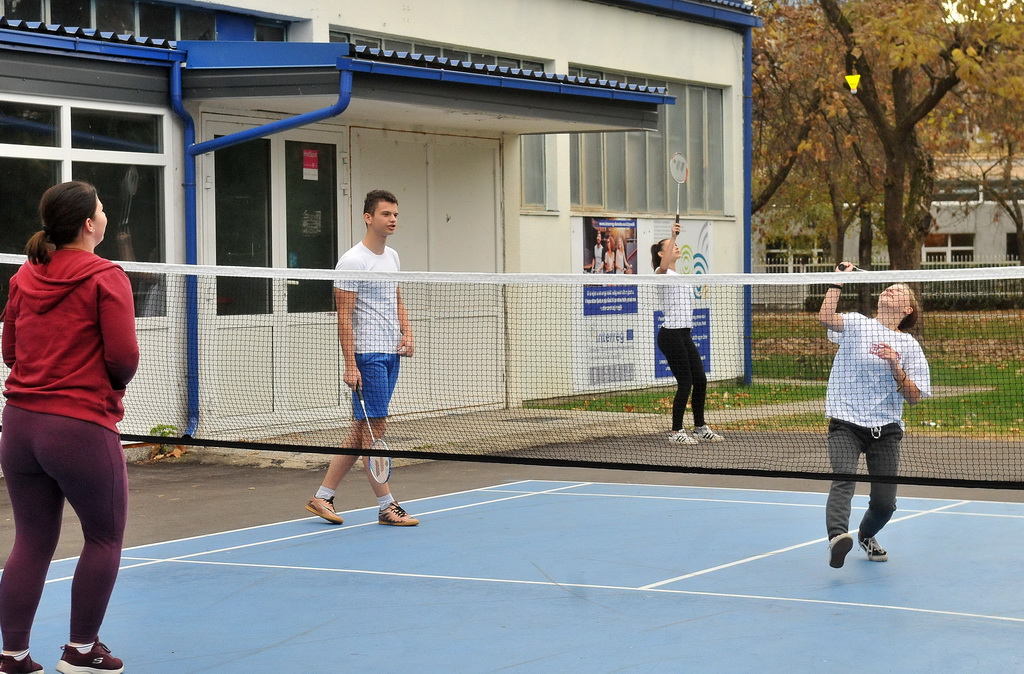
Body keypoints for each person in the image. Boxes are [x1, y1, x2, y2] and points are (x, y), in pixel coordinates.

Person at [0, 181, 139, 674]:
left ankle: (12, 656)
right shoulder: (107, 276)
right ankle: (80, 651)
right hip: (79, 427)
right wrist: (107, 386)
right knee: (104, 537)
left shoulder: (24, 276)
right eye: (101, 210)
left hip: (18, 429)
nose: (104, 215)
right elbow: (123, 360)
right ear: (88, 224)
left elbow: (11, 353)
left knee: (31, 541)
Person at [304, 189, 419, 527]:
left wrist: (407, 332)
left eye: (395, 213)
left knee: (362, 428)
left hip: (390, 354)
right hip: (366, 356)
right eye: (386, 214)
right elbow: (344, 315)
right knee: (375, 429)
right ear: (368, 217)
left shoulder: (393, 257)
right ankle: (387, 505)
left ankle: (322, 498)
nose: (393, 219)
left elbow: (396, 296)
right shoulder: (353, 260)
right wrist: (350, 363)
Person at [819, 262, 931, 569]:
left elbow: (915, 397)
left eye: (898, 291)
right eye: (888, 287)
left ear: (907, 309)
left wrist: (896, 365)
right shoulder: (856, 324)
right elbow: (826, 317)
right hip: (845, 422)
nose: (890, 290)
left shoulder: (909, 345)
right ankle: (838, 537)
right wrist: (837, 281)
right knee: (844, 478)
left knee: (884, 504)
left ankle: (866, 534)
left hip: (886, 430)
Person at [651, 223, 724, 445]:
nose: (676, 247)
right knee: (685, 383)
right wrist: (672, 235)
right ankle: (675, 432)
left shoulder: (680, 274)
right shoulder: (660, 273)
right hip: (670, 335)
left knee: (700, 380)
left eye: (676, 244)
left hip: (684, 334)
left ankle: (700, 427)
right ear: (662, 253)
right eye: (671, 246)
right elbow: (662, 267)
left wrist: (673, 239)